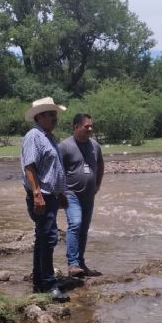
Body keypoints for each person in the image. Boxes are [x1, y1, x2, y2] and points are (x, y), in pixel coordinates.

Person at [21, 97, 70, 302]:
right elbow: (29, 167)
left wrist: (61, 194)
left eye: (55, 114)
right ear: (39, 116)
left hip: (51, 195)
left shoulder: (48, 137)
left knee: (43, 238)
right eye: (50, 114)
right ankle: (49, 284)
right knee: (48, 238)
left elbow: (53, 169)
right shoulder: (34, 136)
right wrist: (37, 194)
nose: (54, 118)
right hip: (42, 195)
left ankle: (40, 282)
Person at [59, 113, 104, 278]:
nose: (90, 129)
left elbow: (100, 166)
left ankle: (81, 263)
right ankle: (72, 264)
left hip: (88, 196)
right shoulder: (65, 146)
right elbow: (57, 170)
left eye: (92, 126)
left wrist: (98, 184)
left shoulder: (95, 146)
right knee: (76, 224)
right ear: (76, 127)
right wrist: (60, 192)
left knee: (84, 230)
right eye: (87, 126)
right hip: (71, 194)